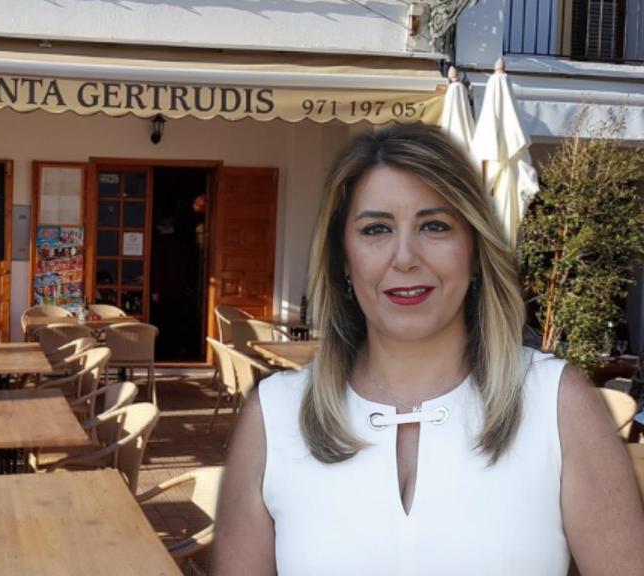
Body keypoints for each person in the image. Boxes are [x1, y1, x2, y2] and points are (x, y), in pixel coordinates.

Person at [212, 124, 644, 575]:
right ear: (343, 260)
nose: (404, 258)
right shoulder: (274, 417)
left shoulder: (558, 403)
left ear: (474, 252)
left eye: (434, 226)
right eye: (376, 229)